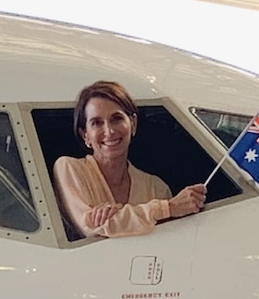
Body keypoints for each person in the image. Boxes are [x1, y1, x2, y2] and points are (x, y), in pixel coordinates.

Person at [53, 80, 207, 238]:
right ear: (85, 135)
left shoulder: (156, 188)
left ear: (133, 124)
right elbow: (90, 229)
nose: (109, 131)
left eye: (116, 119)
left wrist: (117, 217)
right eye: (97, 123)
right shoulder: (69, 168)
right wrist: (167, 208)